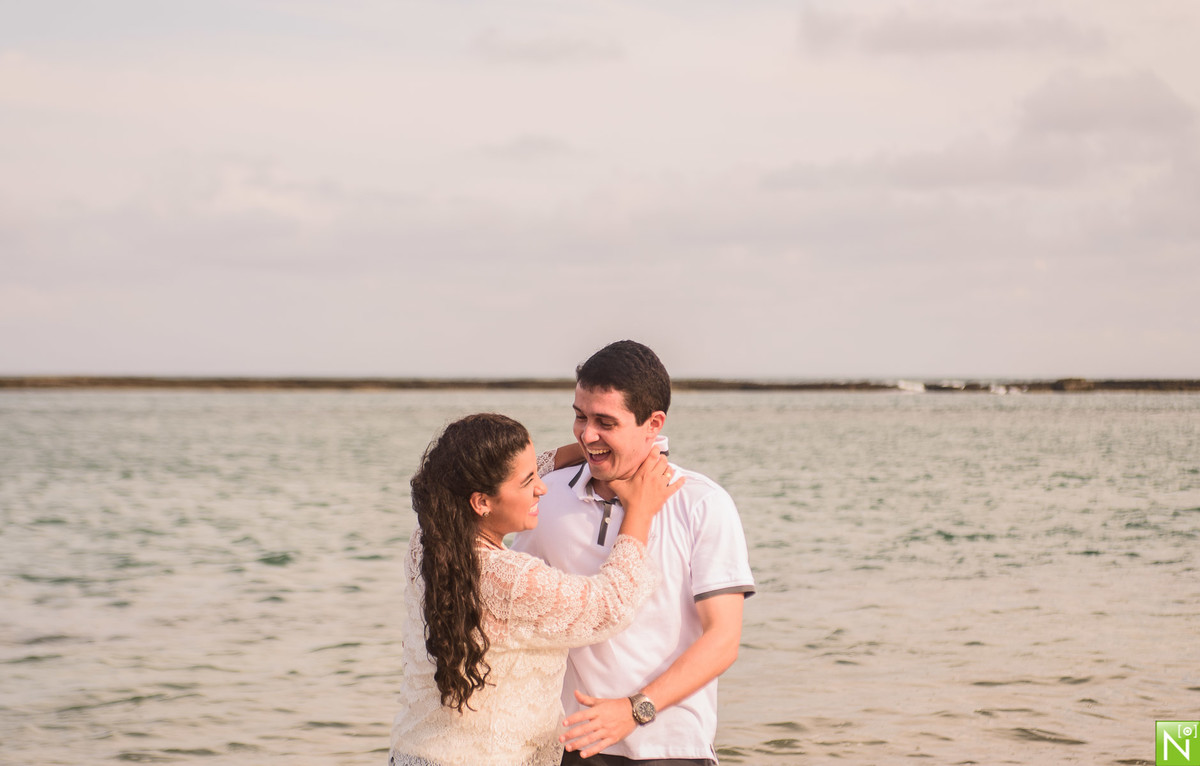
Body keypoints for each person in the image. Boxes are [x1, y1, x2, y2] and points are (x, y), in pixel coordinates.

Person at [389, 412, 684, 766]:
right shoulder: (512, 580)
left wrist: (596, 448)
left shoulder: (425, 542)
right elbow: (609, 605)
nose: (542, 486)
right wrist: (641, 510)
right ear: (481, 502)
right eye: (528, 481)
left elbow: (532, 465)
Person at [513, 340, 755, 766]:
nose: (588, 435)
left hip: (672, 747)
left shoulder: (702, 504)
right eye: (580, 416)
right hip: (570, 747)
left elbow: (723, 640)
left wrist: (634, 709)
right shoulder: (545, 499)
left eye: (605, 422)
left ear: (653, 424)